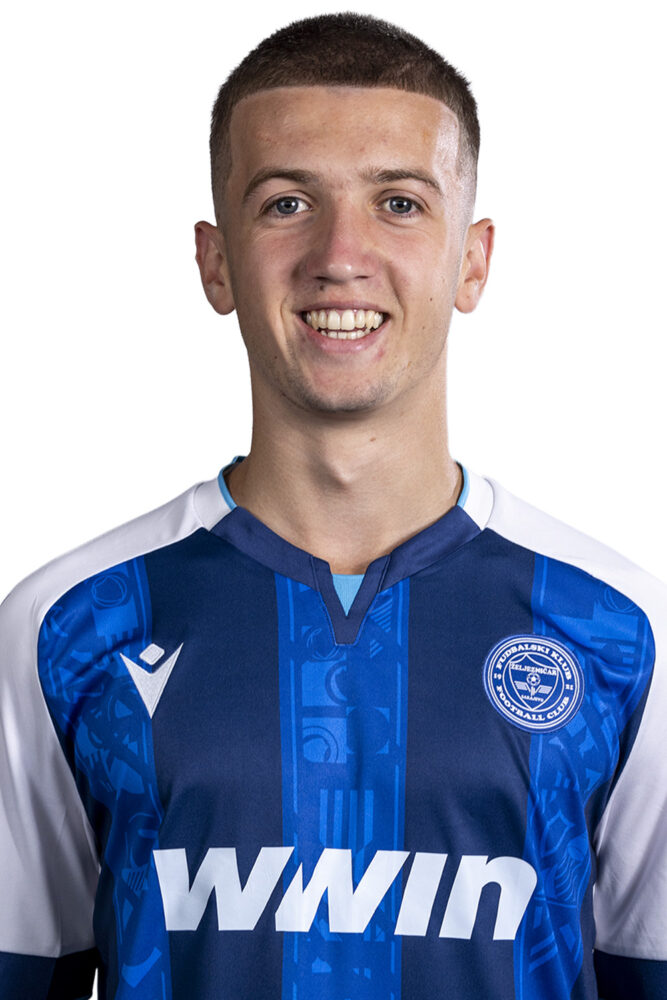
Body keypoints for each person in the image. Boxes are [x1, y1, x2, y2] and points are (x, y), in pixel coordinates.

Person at [0, 12, 664, 1000]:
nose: (340, 253)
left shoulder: (619, 628)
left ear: (472, 260)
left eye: (398, 202)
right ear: (215, 261)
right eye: (285, 204)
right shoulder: (67, 624)